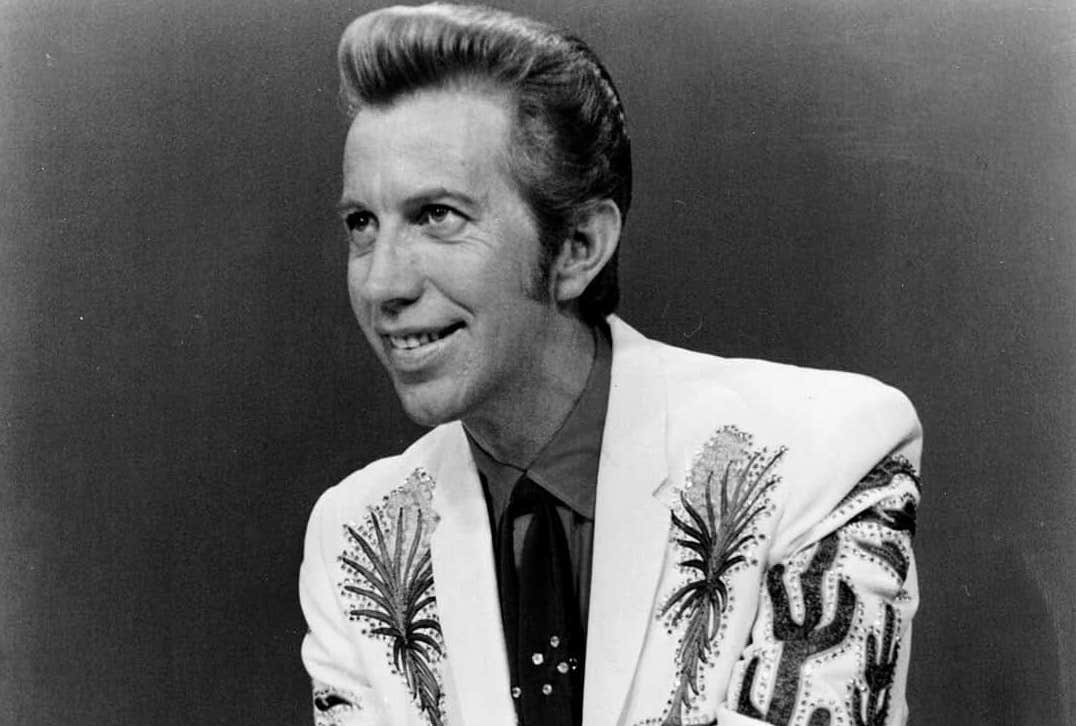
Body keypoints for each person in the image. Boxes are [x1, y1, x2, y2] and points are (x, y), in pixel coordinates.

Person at [299, 4, 923, 726]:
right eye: (361, 224)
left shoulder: (822, 454)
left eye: (438, 216)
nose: (381, 283)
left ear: (579, 248)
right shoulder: (357, 537)